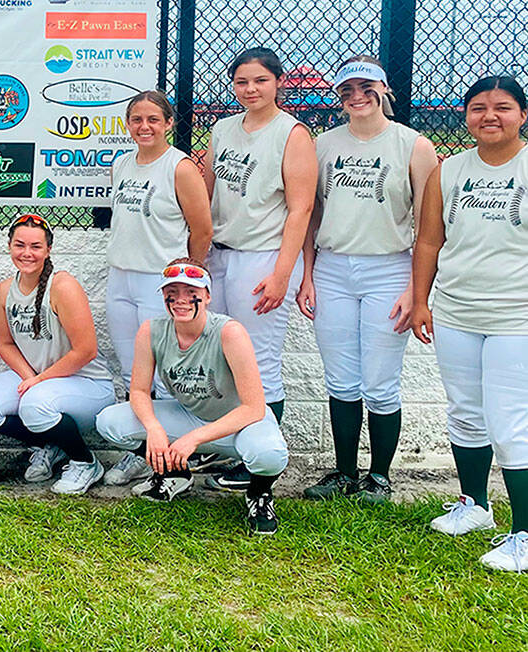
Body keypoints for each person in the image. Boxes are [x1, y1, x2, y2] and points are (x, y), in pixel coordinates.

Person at [296, 57, 437, 503]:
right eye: (348, 90)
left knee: (379, 381)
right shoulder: (324, 145)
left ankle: (378, 477)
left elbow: (427, 224)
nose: (357, 97)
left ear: (384, 90)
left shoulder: (412, 145)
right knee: (340, 379)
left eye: (366, 87)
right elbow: (312, 214)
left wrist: (415, 290)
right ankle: (343, 472)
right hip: (334, 266)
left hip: (388, 267)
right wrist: (308, 274)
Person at [413, 75, 528, 572]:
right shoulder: (451, 170)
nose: (490, 116)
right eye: (479, 107)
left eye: (503, 107)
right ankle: (474, 506)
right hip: (458, 309)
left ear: (522, 115)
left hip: (514, 315)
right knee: (465, 412)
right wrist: (421, 300)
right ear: (466, 115)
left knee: (510, 423)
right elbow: (429, 242)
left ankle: (523, 533)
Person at [95, 259, 289, 534]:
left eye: (190, 292)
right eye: (172, 292)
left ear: (207, 296)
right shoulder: (152, 330)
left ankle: (258, 494)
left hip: (238, 422)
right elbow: (138, 390)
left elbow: (254, 407)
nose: (180, 300)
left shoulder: (228, 332)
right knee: (110, 422)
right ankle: (174, 474)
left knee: (270, 455)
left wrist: (193, 439)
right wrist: (154, 429)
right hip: (189, 414)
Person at [202, 47, 315, 490]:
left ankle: (262, 465)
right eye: (242, 81)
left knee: (259, 362)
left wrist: (284, 273)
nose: (250, 89)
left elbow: (301, 208)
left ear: (278, 82)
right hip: (221, 253)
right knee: (225, 362)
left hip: (263, 256)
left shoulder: (292, 133)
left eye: (260, 81)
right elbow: (207, 190)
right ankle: (235, 450)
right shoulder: (223, 128)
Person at [103, 90, 213, 487]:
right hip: (121, 276)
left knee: (166, 375)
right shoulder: (121, 164)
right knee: (135, 373)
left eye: (153, 119)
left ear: (169, 123)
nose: (144, 127)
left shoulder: (179, 167)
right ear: (127, 125)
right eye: (136, 120)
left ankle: (172, 464)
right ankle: (139, 455)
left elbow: (202, 230)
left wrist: (186, 277)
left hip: (159, 281)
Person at [0, 213, 116, 495]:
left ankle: (85, 461)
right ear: (9, 246)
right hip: (41, 380)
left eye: (36, 246)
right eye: (19, 244)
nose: (27, 253)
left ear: (48, 250)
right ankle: (50, 445)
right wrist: (29, 377)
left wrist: (39, 381)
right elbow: (5, 344)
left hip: (88, 384)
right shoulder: (4, 290)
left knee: (34, 405)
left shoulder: (62, 286)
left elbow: (86, 350)